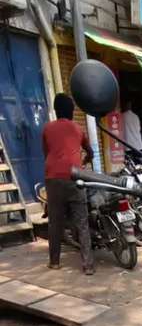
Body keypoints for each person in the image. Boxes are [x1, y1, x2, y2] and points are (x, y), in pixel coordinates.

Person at [42, 93, 94, 274]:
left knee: (55, 222)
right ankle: (88, 266)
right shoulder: (77, 128)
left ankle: (54, 262)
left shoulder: (47, 128)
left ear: (56, 110)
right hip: (75, 177)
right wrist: (85, 160)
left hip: (53, 179)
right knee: (82, 222)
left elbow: (46, 153)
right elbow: (90, 151)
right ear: (72, 111)